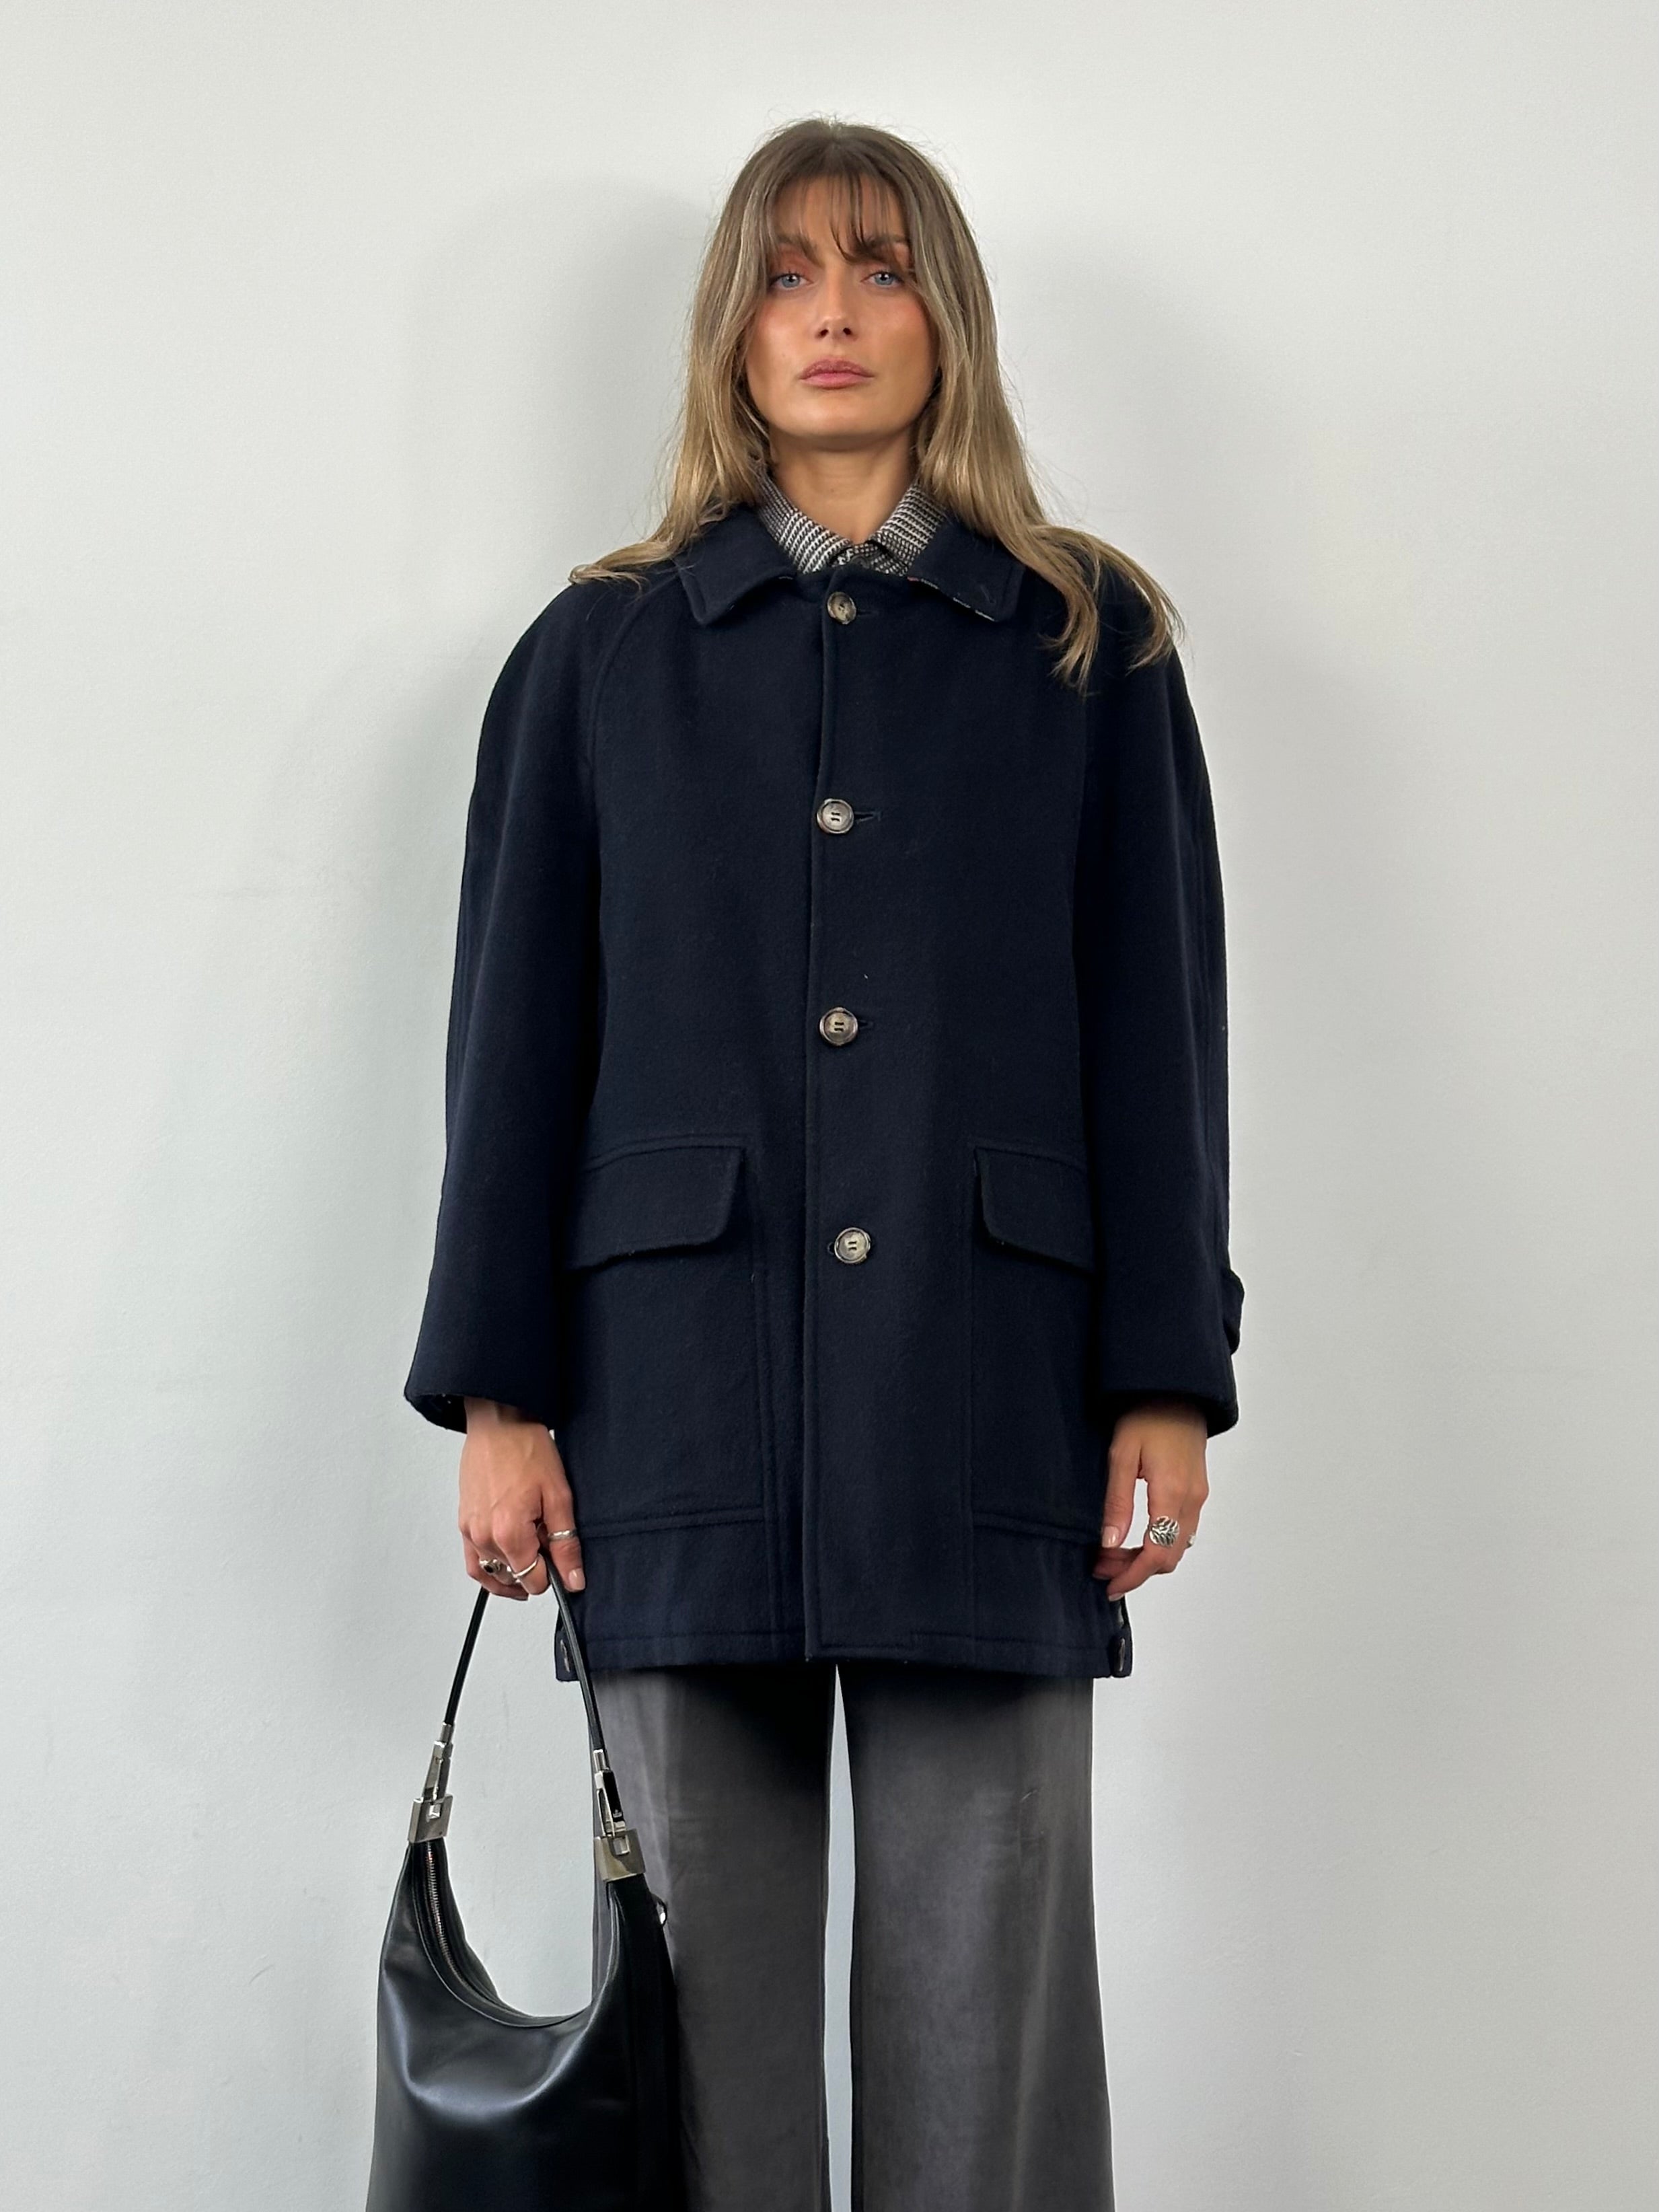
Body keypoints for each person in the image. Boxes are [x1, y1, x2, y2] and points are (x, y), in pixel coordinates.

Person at [404, 116, 1243, 2212]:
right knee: (693, 2011)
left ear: (946, 317)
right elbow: (512, 1047)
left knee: (987, 1996)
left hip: (989, 1383)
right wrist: (501, 1396)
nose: (834, 315)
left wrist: (1163, 1373)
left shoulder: (1082, 643)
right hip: (672, 1394)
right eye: (785, 275)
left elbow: (1156, 1026)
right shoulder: (600, 652)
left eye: (879, 268)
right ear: (730, 327)